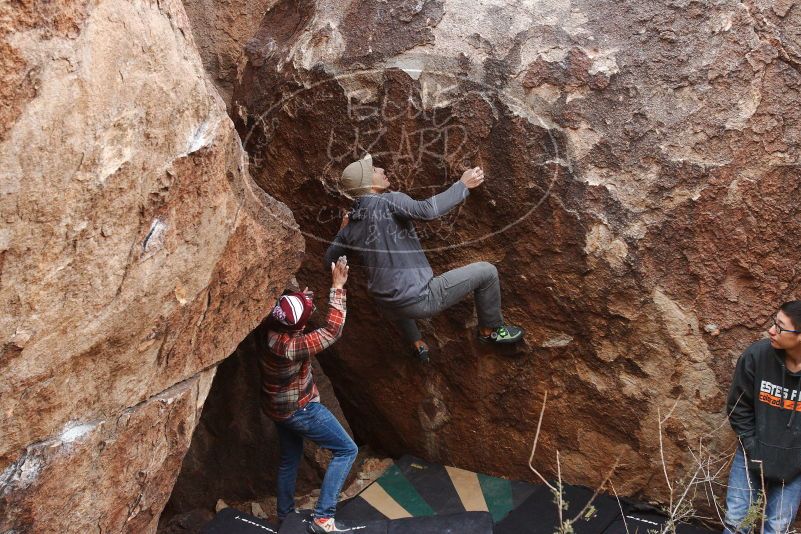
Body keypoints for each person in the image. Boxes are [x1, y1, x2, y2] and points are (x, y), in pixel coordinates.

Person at [324, 153, 523, 362]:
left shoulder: (352, 223)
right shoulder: (390, 201)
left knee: (395, 288)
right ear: (367, 184)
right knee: (487, 272)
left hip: (387, 305)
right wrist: (462, 185)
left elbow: (329, 260)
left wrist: (341, 233)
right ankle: (490, 331)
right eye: (374, 170)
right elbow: (426, 211)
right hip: (419, 299)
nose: (381, 170)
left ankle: (416, 342)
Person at [257, 256, 357, 534]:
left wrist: (302, 298)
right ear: (298, 327)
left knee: (290, 459)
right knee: (347, 450)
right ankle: (323, 518)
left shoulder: (269, 327)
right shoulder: (292, 347)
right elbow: (332, 330)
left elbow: (293, 308)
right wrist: (337, 285)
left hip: (275, 407)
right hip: (299, 410)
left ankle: (285, 517)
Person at [725, 300, 801, 534]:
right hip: (752, 451)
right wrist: (752, 446)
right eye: (773, 323)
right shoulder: (757, 356)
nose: (771, 330)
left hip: (796, 464)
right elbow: (738, 407)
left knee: (777, 529)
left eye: (780, 327)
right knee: (737, 521)